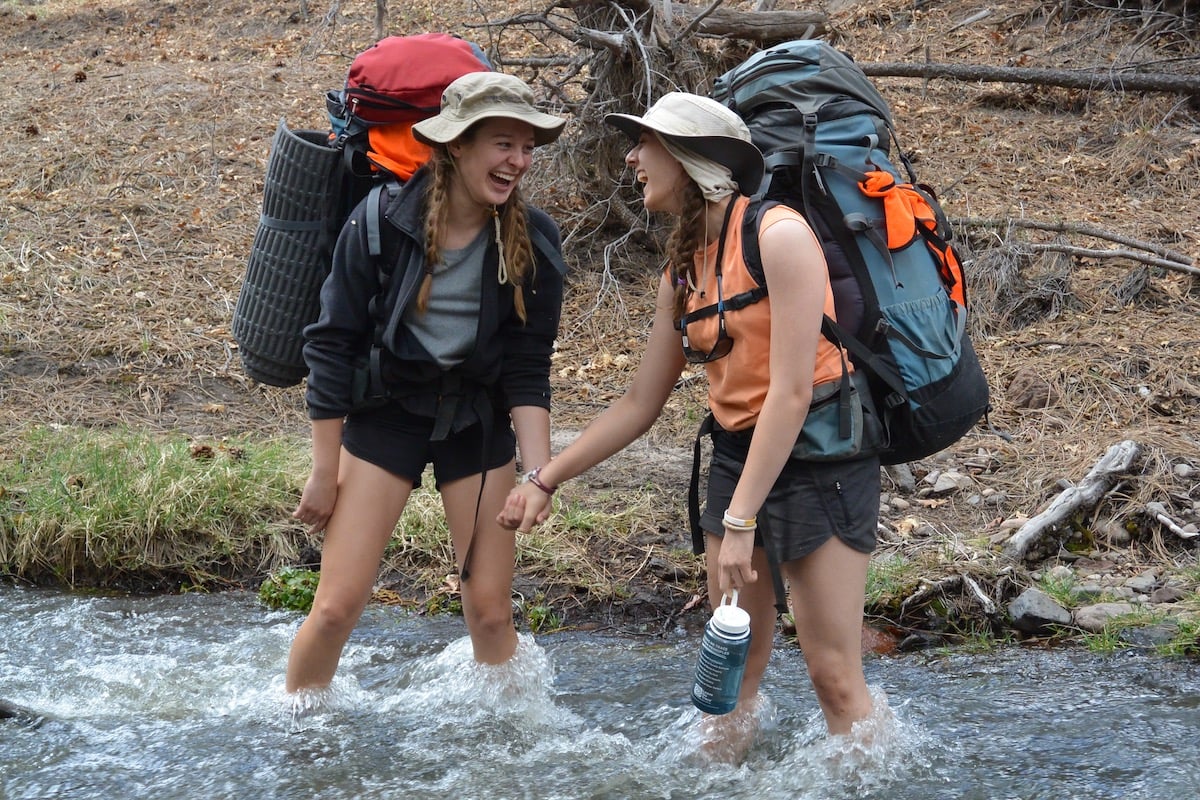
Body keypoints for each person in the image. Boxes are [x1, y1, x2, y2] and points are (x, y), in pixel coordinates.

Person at [497, 93, 881, 756]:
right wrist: (545, 478)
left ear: (689, 157)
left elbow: (790, 395)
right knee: (733, 678)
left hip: (822, 457)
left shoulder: (779, 236)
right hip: (736, 458)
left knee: (834, 677)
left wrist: (739, 522)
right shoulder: (683, 267)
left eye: (646, 144)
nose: (632, 158)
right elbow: (639, 404)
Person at [286, 71, 568, 699]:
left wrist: (538, 474)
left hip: (477, 423)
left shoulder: (535, 239)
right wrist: (323, 469)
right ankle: (296, 741)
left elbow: (528, 365)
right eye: (503, 143)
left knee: (492, 615)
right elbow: (330, 344)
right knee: (334, 610)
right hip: (386, 417)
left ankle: (511, 751)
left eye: (526, 147)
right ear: (456, 145)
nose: (518, 161)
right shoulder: (383, 220)